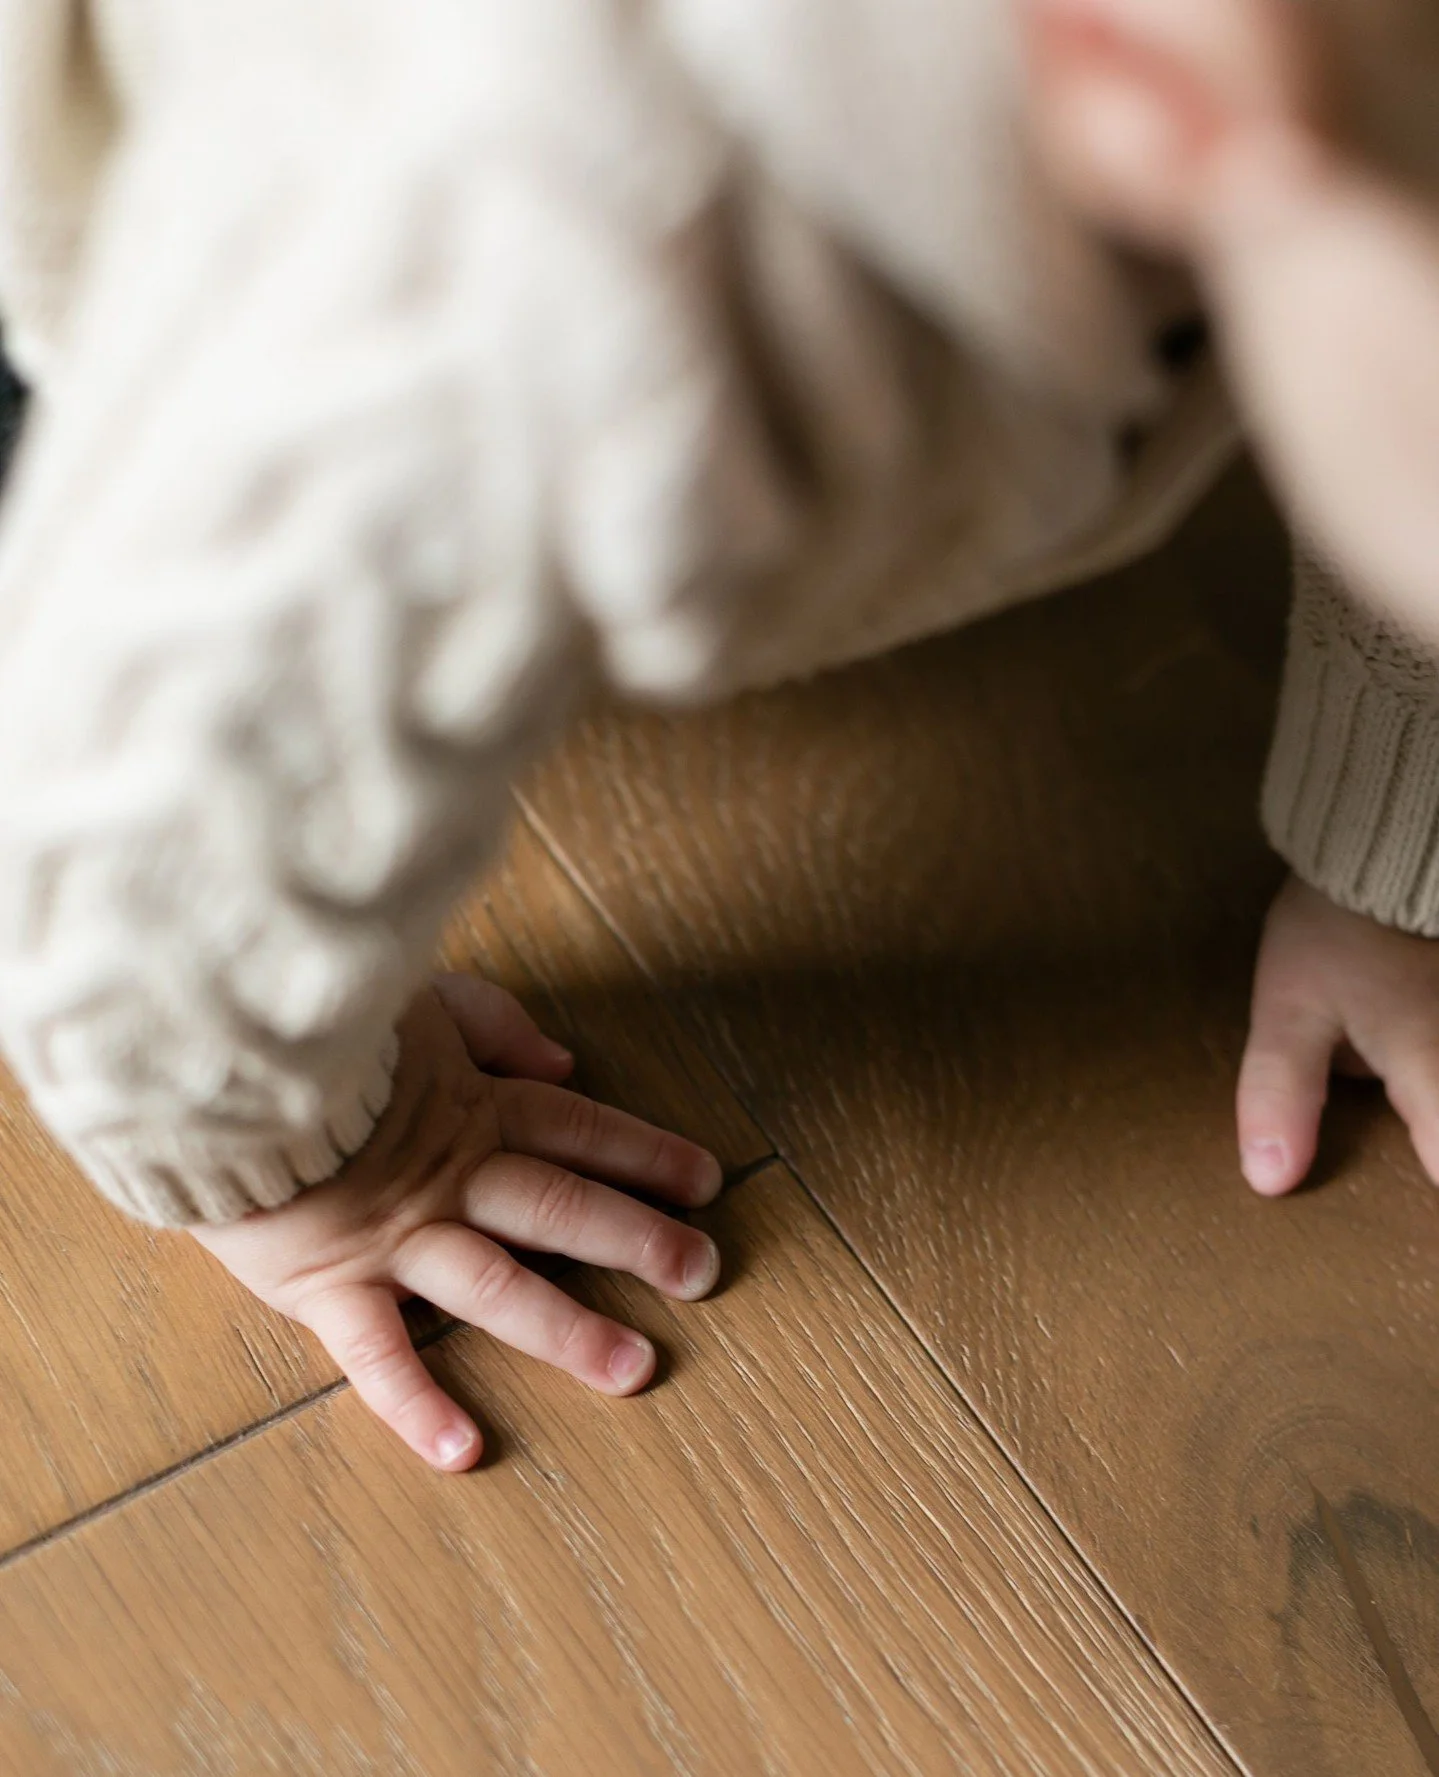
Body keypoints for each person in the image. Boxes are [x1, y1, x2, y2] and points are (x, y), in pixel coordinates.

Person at [0, 0, 1436, 1473]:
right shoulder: (526, 270)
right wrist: (298, 1163)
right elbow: (138, 794)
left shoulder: (1316, 104)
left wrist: (1394, 855)